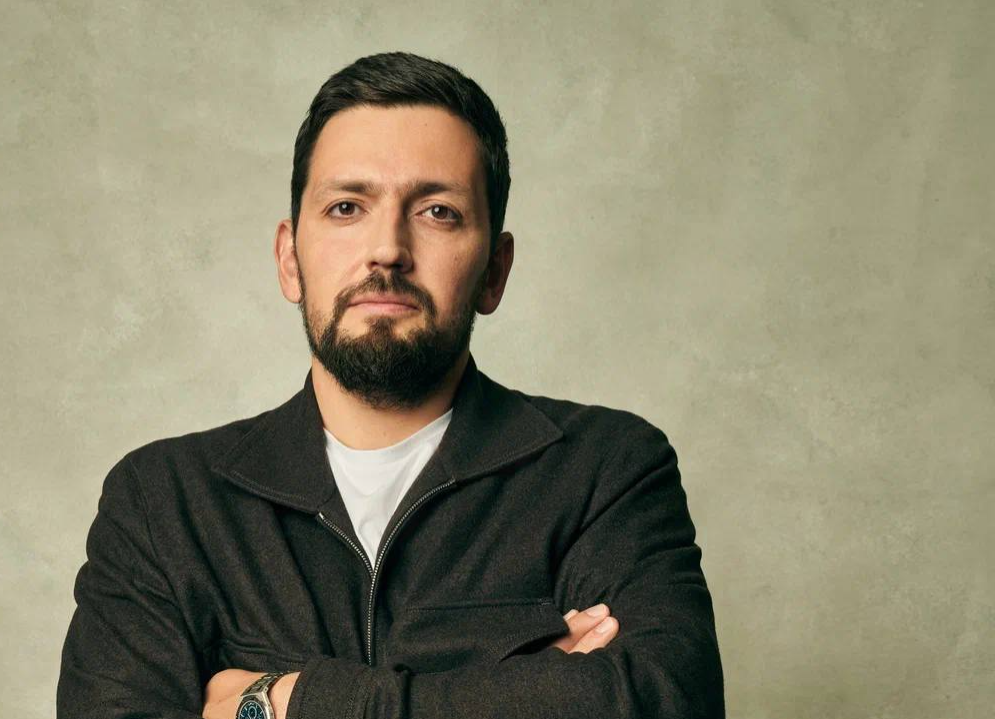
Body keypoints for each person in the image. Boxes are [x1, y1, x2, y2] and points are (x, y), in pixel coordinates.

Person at [57, 51, 724, 719]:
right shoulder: (163, 502)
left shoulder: (605, 470)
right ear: (290, 260)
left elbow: (666, 702)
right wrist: (528, 690)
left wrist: (283, 699)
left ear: (494, 271)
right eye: (347, 207)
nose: (387, 249)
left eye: (437, 211)